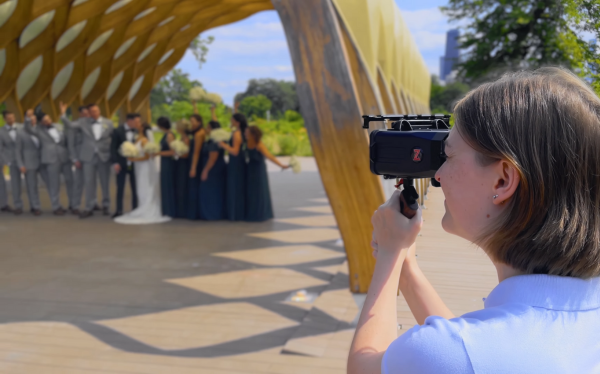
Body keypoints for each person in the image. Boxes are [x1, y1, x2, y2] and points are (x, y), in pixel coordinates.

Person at [348, 67, 600, 374]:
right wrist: (407, 269)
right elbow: (466, 354)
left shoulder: (450, 352)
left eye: (449, 155)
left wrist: (389, 257)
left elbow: (365, 366)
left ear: (502, 181)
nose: (438, 175)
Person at [61, 103, 114, 218]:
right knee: (89, 182)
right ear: (89, 113)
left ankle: (106, 206)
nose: (95, 113)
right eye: (92, 111)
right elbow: (69, 125)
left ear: (99, 110)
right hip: (87, 156)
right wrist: (63, 113)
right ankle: (89, 207)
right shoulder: (83, 122)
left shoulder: (108, 123)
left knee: (105, 182)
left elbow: (112, 138)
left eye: (96, 110)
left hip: (103, 156)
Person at [114, 122, 171, 225]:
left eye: (140, 125)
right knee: (140, 188)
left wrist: (133, 159)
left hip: (144, 167)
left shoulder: (144, 140)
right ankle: (142, 206)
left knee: (144, 187)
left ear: (143, 128)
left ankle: (146, 207)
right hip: (138, 168)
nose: (137, 126)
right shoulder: (138, 138)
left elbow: (146, 157)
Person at [24, 110, 74, 216]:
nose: (48, 121)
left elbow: (67, 134)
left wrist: (64, 114)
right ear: (40, 122)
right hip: (50, 159)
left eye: (49, 119)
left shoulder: (58, 126)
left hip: (64, 157)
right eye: (45, 121)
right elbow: (28, 129)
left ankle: (74, 205)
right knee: (54, 184)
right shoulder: (38, 130)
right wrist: (28, 118)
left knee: (70, 181)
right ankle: (56, 206)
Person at [244, 126, 289, 222]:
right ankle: (252, 212)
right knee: (251, 191)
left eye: (247, 132)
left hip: (258, 170)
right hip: (250, 169)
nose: (245, 134)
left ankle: (260, 213)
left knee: (259, 190)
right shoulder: (247, 143)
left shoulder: (259, 144)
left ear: (252, 134)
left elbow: (270, 156)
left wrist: (281, 165)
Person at [218, 113, 248, 221]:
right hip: (241, 162)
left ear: (237, 122)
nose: (230, 120)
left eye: (232, 119)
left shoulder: (236, 133)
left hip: (235, 162)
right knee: (239, 186)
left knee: (234, 186)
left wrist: (223, 145)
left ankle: (234, 213)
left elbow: (235, 151)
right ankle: (239, 211)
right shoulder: (244, 132)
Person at [110, 113, 140, 218]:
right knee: (120, 187)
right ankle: (119, 210)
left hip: (135, 163)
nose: (137, 124)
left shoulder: (137, 131)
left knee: (135, 187)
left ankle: (135, 209)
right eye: (136, 121)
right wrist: (115, 163)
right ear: (129, 120)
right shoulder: (118, 131)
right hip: (121, 164)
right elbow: (113, 148)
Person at [198, 120, 227, 220]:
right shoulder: (213, 140)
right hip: (215, 167)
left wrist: (205, 170)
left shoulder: (214, 141)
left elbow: (213, 158)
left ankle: (212, 214)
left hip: (213, 169)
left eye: (208, 127)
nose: (206, 129)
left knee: (211, 190)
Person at [15, 112, 42, 216]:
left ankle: (56, 205)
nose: (32, 121)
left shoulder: (41, 130)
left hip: (42, 160)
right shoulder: (21, 133)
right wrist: (21, 164)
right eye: (30, 119)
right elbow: (18, 150)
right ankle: (35, 206)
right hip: (29, 162)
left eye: (34, 119)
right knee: (32, 186)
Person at [65, 105, 90, 215]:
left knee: (91, 182)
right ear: (80, 114)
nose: (86, 116)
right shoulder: (74, 126)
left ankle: (91, 203)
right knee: (78, 183)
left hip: (92, 157)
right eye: (84, 114)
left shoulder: (92, 124)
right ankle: (75, 205)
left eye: (87, 114)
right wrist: (75, 159)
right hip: (80, 157)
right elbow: (71, 145)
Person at [0, 110, 22, 214]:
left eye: (12, 118)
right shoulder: (1, 131)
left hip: (24, 158)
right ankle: (18, 206)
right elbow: (1, 149)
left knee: (32, 184)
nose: (11, 120)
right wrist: (7, 161)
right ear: (4, 119)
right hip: (11, 160)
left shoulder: (21, 128)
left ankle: (35, 205)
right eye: (9, 118)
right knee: (14, 184)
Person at [156, 117, 176, 218]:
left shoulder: (169, 135)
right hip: (164, 162)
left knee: (167, 184)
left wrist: (158, 153)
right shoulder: (167, 134)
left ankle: (169, 210)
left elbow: (173, 152)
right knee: (165, 184)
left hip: (168, 162)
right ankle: (167, 209)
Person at [187, 113, 206, 220]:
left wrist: (193, 167)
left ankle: (195, 212)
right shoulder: (197, 132)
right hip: (194, 160)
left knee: (194, 186)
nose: (191, 123)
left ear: (198, 122)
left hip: (196, 162)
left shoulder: (199, 133)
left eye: (193, 121)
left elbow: (196, 152)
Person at [173, 119, 191, 218]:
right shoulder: (181, 138)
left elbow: (186, 154)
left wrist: (177, 153)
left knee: (182, 186)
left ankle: (183, 210)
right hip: (179, 163)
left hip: (184, 164)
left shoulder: (186, 139)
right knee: (179, 185)